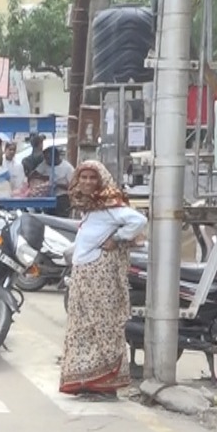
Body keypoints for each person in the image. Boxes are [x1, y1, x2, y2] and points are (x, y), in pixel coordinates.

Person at [60, 161, 146, 398]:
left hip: (100, 274)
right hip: (84, 273)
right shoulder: (90, 207)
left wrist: (117, 239)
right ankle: (87, 381)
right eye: (83, 177)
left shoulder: (110, 205)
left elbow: (138, 221)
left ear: (101, 180)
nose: (87, 182)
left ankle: (105, 384)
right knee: (83, 327)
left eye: (92, 178)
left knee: (103, 326)